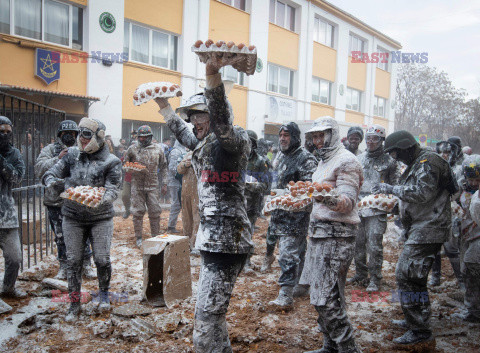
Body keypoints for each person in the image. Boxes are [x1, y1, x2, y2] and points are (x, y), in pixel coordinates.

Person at [154, 52, 253, 353]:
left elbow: (221, 123)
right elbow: (185, 134)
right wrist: (164, 107)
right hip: (212, 240)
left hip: (228, 242)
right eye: (193, 116)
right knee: (214, 316)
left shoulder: (232, 139)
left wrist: (213, 76)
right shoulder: (204, 143)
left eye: (201, 115)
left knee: (206, 320)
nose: (195, 122)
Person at [373, 130, 458, 345]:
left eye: (396, 153)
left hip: (430, 227)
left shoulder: (428, 162)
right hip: (423, 225)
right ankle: (418, 318)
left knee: (406, 274)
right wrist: (396, 208)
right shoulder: (419, 161)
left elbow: (422, 193)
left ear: (407, 148)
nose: (395, 158)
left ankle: (419, 330)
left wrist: (391, 189)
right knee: (415, 276)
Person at [43, 117, 122, 321]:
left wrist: (100, 198)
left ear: (98, 137)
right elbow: (51, 173)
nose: (82, 139)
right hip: (72, 216)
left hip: (101, 217)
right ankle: (74, 304)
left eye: (87, 135)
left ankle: (104, 295)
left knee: (102, 259)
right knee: (74, 260)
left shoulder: (111, 161)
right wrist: (53, 182)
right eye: (80, 134)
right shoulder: (71, 155)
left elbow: (113, 189)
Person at [299, 117, 363, 353]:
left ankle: (348, 348)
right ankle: (330, 346)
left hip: (338, 236)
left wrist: (322, 196)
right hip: (318, 233)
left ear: (333, 135)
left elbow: (347, 202)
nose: (317, 141)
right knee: (318, 295)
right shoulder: (323, 161)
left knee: (327, 297)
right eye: (314, 136)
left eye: (321, 136)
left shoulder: (347, 161)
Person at [262, 121, 317, 307]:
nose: (282, 139)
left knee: (287, 253)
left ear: (294, 137)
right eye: (280, 135)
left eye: (286, 135)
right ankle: (301, 284)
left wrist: (290, 196)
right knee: (298, 251)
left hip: (296, 215)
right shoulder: (280, 156)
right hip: (279, 213)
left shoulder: (306, 159)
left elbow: (310, 188)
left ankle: (285, 294)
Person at [35, 120, 96, 280]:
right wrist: (58, 158)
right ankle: (64, 266)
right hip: (56, 201)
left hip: (78, 201)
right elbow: (39, 169)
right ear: (59, 135)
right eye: (65, 133)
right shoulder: (50, 150)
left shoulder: (84, 150)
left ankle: (86, 264)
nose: (69, 136)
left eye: (73, 133)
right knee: (61, 236)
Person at [349, 124, 400, 291]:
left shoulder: (390, 161)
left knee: (374, 244)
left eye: (375, 139)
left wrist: (389, 196)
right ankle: (361, 274)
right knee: (358, 242)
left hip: (377, 208)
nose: (371, 142)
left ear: (382, 140)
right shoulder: (359, 158)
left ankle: (375, 278)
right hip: (359, 205)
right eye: (369, 138)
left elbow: (396, 184)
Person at [428, 140, 464, 288]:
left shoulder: (459, 168)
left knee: (451, 247)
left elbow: (458, 189)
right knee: (434, 246)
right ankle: (435, 277)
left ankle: (461, 279)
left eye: (448, 152)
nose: (445, 155)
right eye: (442, 152)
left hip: (452, 210)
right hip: (435, 210)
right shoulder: (433, 168)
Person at [124, 125, 167, 247]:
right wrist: (130, 168)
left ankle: (155, 236)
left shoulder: (158, 149)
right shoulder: (132, 149)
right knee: (138, 212)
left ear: (150, 137)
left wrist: (165, 183)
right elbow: (125, 164)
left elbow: (164, 167)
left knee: (154, 212)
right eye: (140, 137)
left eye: (145, 137)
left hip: (153, 185)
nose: (142, 140)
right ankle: (138, 237)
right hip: (137, 185)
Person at [0, 116, 26, 301]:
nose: (5, 135)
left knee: (15, 257)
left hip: (6, 216)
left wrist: (1, 162)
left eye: (8, 132)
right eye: (1, 131)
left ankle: (8, 288)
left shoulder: (14, 153)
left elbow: (17, 177)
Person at [454, 154, 480, 323]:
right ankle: (473, 307)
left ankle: (474, 310)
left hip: (478, 234)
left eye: (476, 179)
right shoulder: (463, 187)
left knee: (472, 269)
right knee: (467, 270)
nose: (473, 183)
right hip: (466, 234)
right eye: (470, 179)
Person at [244, 130, 271, 273]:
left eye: (249, 141)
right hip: (236, 203)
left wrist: (249, 185)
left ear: (253, 144)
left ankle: (246, 261)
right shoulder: (234, 157)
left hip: (251, 204)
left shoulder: (260, 161)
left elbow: (265, 185)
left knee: (248, 232)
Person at [177, 150, 200, 252]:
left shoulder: (205, 153)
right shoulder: (187, 154)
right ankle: (187, 242)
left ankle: (195, 243)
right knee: (186, 218)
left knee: (197, 217)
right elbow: (179, 170)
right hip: (186, 191)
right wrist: (185, 165)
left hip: (198, 191)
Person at [167, 140, 186, 233]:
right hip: (175, 182)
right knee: (176, 204)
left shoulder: (182, 150)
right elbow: (172, 168)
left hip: (180, 182)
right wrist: (179, 176)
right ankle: (171, 226)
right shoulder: (176, 151)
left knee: (180, 203)